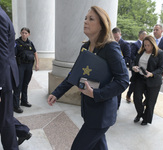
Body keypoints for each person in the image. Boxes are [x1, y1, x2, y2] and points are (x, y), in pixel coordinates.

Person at [48, 6, 129, 150]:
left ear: (101, 25)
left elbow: (123, 81)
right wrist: (56, 93)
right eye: (85, 18)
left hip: (102, 113)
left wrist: (96, 93)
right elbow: (74, 74)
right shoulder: (85, 47)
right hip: (89, 110)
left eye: (91, 19)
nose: (85, 21)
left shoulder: (110, 48)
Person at [0, 1, 32, 149]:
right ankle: (22, 131)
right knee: (3, 115)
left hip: (0, 80)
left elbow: (0, 53)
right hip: (2, 77)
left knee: (5, 119)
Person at [131, 35, 163, 125]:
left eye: (148, 45)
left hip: (153, 80)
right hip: (140, 78)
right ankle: (140, 113)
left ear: (153, 44)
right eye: (145, 45)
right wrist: (133, 67)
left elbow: (162, 67)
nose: (146, 47)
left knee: (150, 102)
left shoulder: (160, 53)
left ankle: (146, 119)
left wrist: (152, 73)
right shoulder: (141, 52)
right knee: (136, 98)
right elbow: (134, 62)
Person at [13, 27, 39, 113]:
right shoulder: (16, 42)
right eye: (23, 32)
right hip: (20, 66)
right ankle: (16, 106)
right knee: (18, 85)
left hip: (29, 66)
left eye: (26, 33)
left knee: (25, 84)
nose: (24, 34)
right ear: (20, 33)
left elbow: (35, 53)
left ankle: (24, 101)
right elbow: (13, 54)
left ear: (29, 34)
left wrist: (37, 64)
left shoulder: (30, 43)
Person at [112, 27, 131, 108]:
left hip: (120, 69)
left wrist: (120, 62)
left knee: (118, 88)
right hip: (111, 69)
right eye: (114, 37)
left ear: (120, 34)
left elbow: (128, 57)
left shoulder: (125, 44)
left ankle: (117, 106)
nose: (116, 39)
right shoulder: (110, 43)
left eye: (117, 37)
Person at [126, 30, 147, 103]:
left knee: (143, 83)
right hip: (135, 67)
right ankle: (128, 95)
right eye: (145, 34)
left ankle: (145, 98)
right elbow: (132, 56)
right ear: (141, 35)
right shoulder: (135, 44)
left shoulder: (146, 45)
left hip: (143, 67)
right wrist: (138, 61)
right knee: (134, 82)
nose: (146, 36)